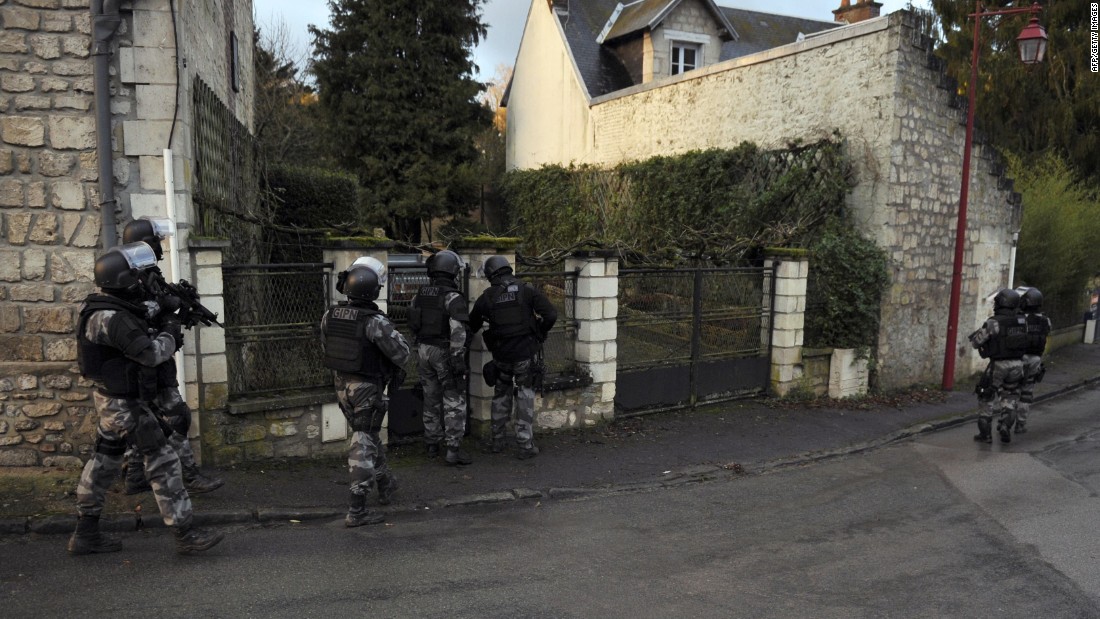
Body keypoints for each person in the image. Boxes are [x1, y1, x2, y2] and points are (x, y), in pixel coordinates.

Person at [70, 243, 224, 555]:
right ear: (121, 282)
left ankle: (85, 532)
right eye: (134, 278)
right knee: (164, 460)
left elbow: (144, 312)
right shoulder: (110, 318)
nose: (140, 282)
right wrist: (169, 331)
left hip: (115, 400)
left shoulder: (108, 307)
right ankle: (185, 533)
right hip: (124, 405)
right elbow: (151, 354)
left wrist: (167, 308)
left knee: (103, 462)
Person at [117, 217, 223, 495]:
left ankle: (136, 475)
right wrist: (165, 306)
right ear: (146, 243)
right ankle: (190, 476)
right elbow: (136, 313)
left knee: (143, 419)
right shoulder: (130, 276)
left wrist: (176, 301)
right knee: (175, 415)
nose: (160, 246)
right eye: (156, 241)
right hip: (148, 357)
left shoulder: (144, 271)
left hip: (152, 358)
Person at [321, 260, 410, 527]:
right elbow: (401, 353)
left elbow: (325, 345)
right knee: (362, 442)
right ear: (373, 291)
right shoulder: (374, 322)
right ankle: (357, 510)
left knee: (368, 436)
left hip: (341, 385)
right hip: (366, 386)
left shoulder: (330, 315)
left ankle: (385, 484)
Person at [469, 255, 557, 459]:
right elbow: (551, 315)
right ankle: (525, 444)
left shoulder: (487, 297)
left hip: (501, 355)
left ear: (491, 274)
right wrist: (540, 333)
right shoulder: (527, 291)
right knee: (525, 394)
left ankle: (497, 440)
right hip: (525, 353)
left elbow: (472, 325)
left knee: (501, 394)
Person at [409, 250, 472, 465]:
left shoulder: (420, 294)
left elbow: (413, 322)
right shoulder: (452, 297)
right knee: (453, 399)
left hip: (423, 350)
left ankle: (432, 444)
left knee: (431, 398)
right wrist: (457, 357)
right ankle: (453, 449)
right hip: (443, 351)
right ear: (453, 271)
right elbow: (458, 330)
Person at [968, 288, 1027, 444]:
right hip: (1018, 364)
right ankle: (1005, 426)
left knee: (986, 396)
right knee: (1010, 396)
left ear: (1001, 303)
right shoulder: (1022, 321)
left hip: (999, 364)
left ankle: (985, 435)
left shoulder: (994, 322)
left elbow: (976, 342)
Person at [1016, 287, 1051, 434]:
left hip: (1018, 358)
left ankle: (1006, 419)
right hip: (1035, 359)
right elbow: (1046, 332)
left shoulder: (1019, 319)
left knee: (1011, 389)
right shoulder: (1045, 320)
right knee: (1027, 392)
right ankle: (1021, 423)